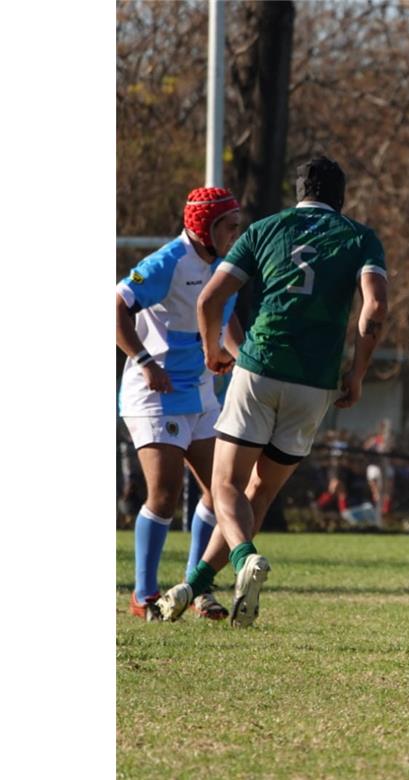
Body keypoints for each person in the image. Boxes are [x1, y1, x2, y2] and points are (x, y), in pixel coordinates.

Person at [155, 155, 389, 627]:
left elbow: (210, 298)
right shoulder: (361, 238)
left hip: (260, 367)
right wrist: (357, 372)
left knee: (225, 485)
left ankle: (244, 559)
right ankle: (193, 586)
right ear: (341, 197)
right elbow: (376, 308)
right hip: (316, 382)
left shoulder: (265, 229)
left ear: (299, 192)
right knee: (259, 493)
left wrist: (212, 351)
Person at [118, 186, 244, 621]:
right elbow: (114, 306)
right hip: (158, 394)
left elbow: (226, 316)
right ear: (204, 226)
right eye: (228, 226)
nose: (235, 234)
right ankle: (144, 595)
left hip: (203, 393)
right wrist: (144, 362)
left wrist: (243, 360)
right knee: (165, 495)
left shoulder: (225, 264)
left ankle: (195, 588)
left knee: (222, 490)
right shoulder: (167, 262)